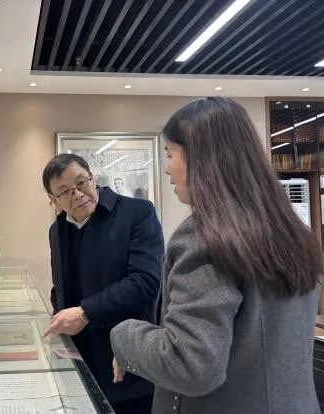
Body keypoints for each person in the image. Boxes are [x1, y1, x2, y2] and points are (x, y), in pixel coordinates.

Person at [110, 97, 323, 413]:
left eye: (170, 154)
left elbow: (190, 364)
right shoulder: (294, 232)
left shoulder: (205, 237)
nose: (167, 168)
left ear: (201, 157)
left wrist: (124, 336)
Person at [42, 153, 164, 413]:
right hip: (78, 363)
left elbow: (145, 282)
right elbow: (60, 286)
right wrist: (60, 319)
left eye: (81, 183)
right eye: (65, 191)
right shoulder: (57, 230)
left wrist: (85, 313)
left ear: (92, 178)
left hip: (127, 364)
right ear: (53, 200)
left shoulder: (137, 212)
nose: (77, 194)